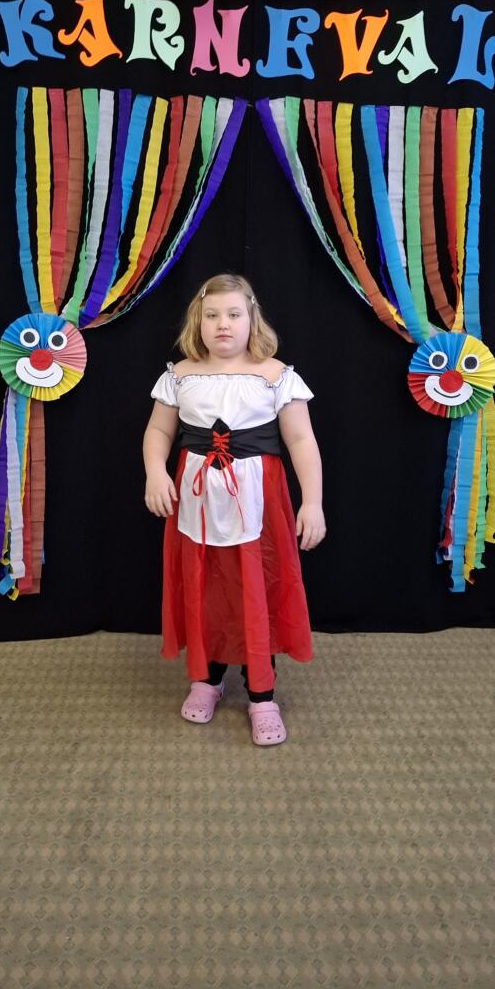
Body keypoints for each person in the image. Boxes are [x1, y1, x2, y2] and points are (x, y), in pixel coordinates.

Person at [143, 273, 326, 746]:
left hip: (258, 504)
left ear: (251, 319)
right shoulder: (180, 375)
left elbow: (301, 440)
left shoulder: (276, 376)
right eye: (212, 315)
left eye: (233, 314)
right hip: (198, 505)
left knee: (257, 586)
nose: (222, 324)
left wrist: (313, 502)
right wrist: (156, 472)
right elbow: (159, 431)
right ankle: (206, 678)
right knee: (204, 586)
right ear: (198, 322)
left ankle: (262, 694)